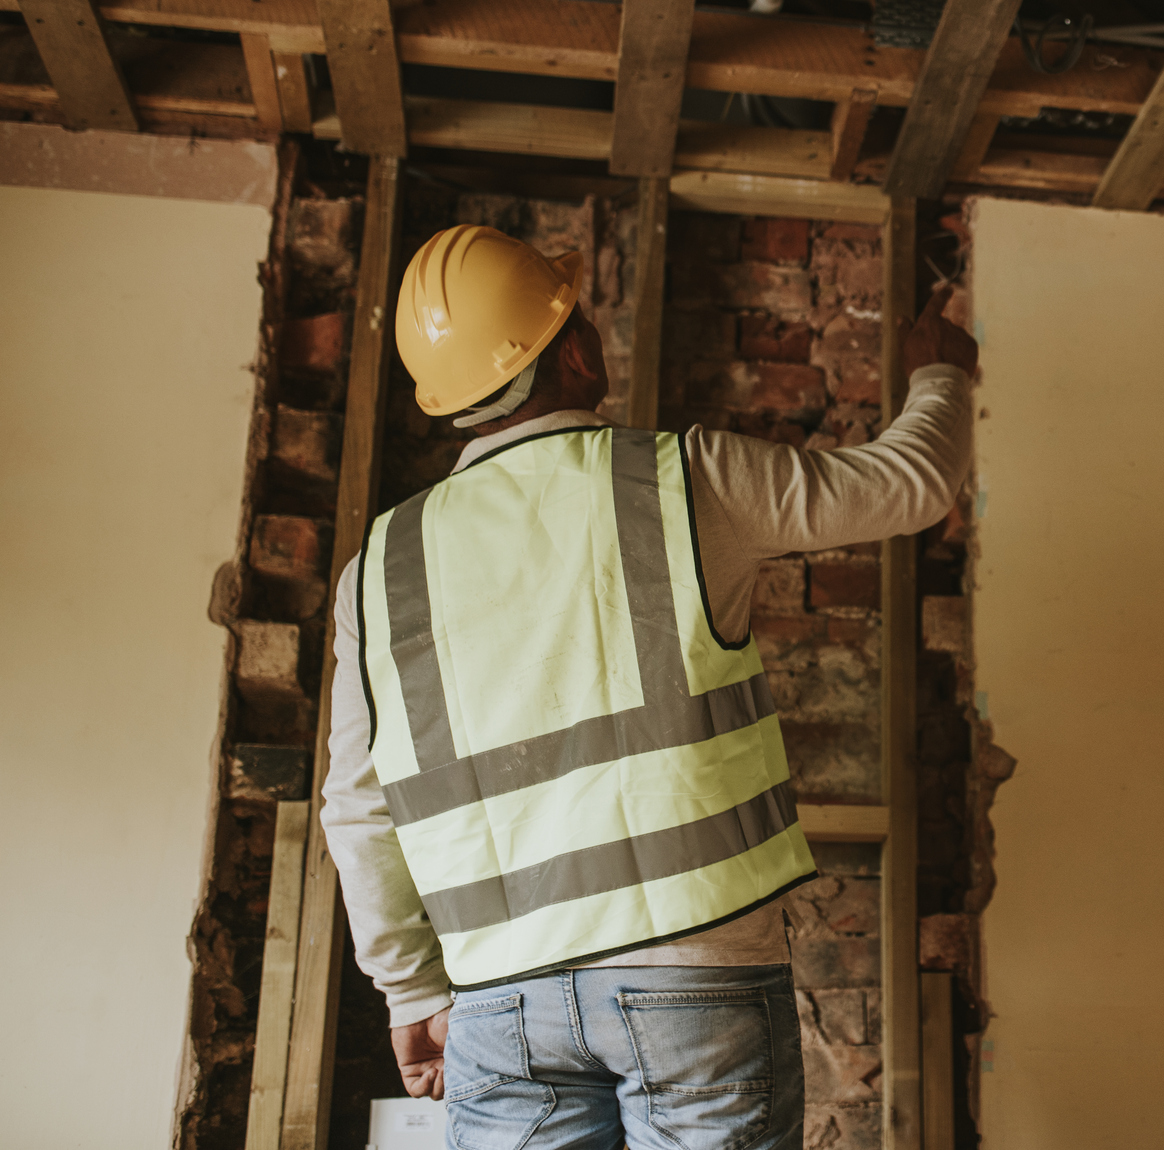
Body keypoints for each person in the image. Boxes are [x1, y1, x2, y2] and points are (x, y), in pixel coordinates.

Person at [320, 222, 976, 1149]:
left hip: (498, 1001)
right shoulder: (682, 481)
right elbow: (910, 481)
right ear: (576, 348)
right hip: (694, 975)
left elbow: (357, 809)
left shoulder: (376, 573)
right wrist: (940, 371)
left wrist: (411, 988)